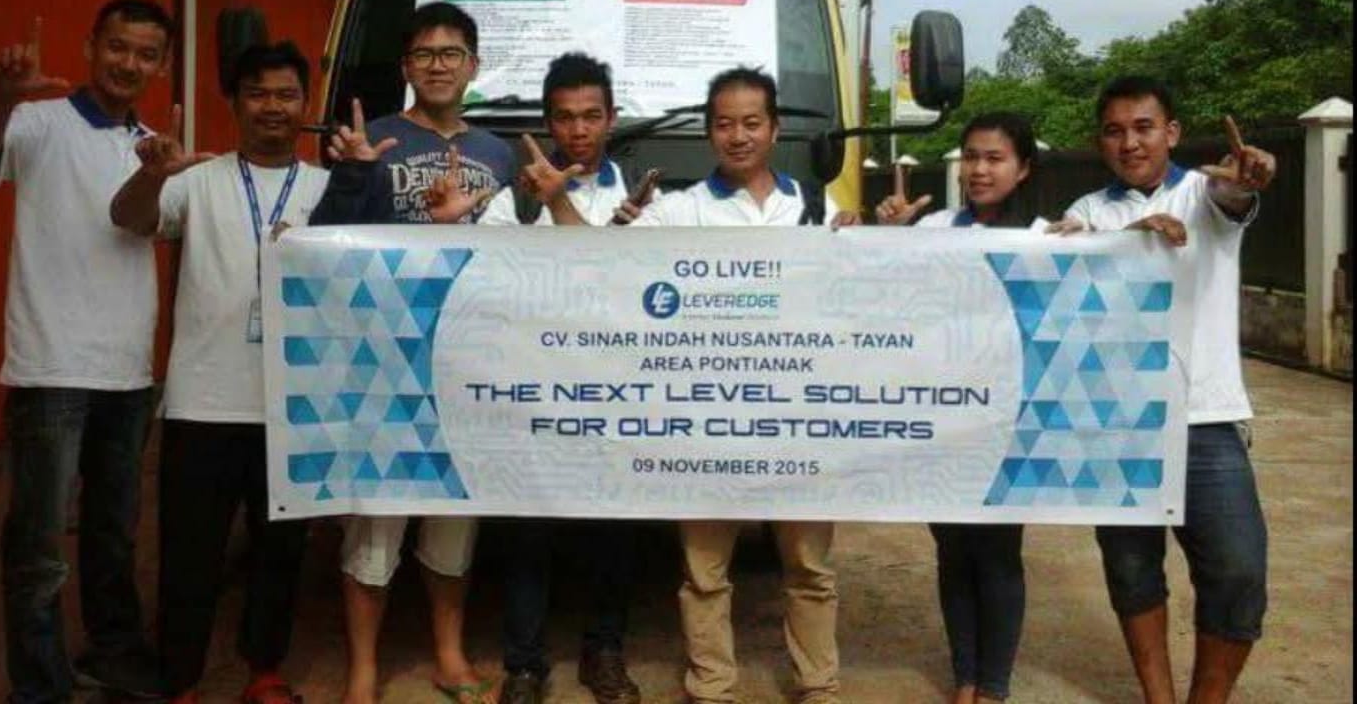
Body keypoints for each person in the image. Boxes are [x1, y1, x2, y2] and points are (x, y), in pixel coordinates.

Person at [539, 66, 855, 704]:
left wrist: (875, 239)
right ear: (709, 132)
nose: (738, 136)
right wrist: (555, 201)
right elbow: (596, 260)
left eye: (751, 122)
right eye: (724, 124)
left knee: (809, 568)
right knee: (705, 571)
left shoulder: (815, 208)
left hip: (796, 420)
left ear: (775, 129)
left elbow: (855, 299)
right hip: (706, 422)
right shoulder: (678, 210)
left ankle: (818, 684)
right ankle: (711, 685)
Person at [0, 0, 174, 703]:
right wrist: (1, 98)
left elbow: (142, 224)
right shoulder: (38, 121)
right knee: (39, 542)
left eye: (146, 54)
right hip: (49, 364)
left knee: (114, 534)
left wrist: (158, 174)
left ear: (161, 65)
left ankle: (114, 655)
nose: (128, 63)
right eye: (117, 46)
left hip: (128, 370)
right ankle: (40, 684)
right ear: (90, 46)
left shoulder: (154, 147)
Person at [110, 41, 333, 704]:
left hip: (294, 404)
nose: (273, 106)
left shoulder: (327, 189)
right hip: (202, 400)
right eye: (258, 93)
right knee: (190, 554)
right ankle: (180, 676)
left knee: (279, 551)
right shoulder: (197, 179)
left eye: (286, 94)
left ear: (305, 104)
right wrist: (152, 176)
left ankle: (264, 671)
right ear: (234, 103)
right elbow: (129, 220)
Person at [310, 0, 514, 704]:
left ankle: (449, 656)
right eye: (424, 54)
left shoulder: (499, 155)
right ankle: (363, 671)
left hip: (465, 357)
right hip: (383, 355)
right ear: (406, 66)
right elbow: (325, 241)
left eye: (451, 53)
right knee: (377, 518)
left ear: (473, 66)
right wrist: (354, 175)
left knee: (455, 515)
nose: (437, 65)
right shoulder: (373, 138)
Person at [1057, 75, 1273, 704]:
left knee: (1238, 573)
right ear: (1100, 141)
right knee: (1132, 572)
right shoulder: (1088, 211)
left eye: (1143, 127)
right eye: (1114, 131)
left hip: (1206, 417)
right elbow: (1057, 274)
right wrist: (1122, 243)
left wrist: (1249, 178)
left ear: (1171, 133)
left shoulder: (1206, 192)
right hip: (1118, 423)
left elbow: (1237, 196)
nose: (1130, 142)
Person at [477, 52, 645, 704]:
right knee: (527, 532)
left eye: (591, 116)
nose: (579, 129)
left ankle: (604, 653)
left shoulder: (644, 201)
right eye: (566, 117)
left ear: (612, 118)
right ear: (549, 122)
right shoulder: (514, 199)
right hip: (533, 394)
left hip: (614, 394)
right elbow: (482, 279)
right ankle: (524, 665)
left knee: (614, 529)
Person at [875, 112, 1048, 704]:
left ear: (1023, 169)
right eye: (971, 156)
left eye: (995, 158)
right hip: (943, 416)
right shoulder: (935, 227)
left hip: (1006, 421)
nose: (978, 169)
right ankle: (965, 678)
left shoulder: (1047, 236)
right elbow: (887, 290)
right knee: (952, 550)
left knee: (998, 553)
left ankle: (993, 685)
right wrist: (891, 235)